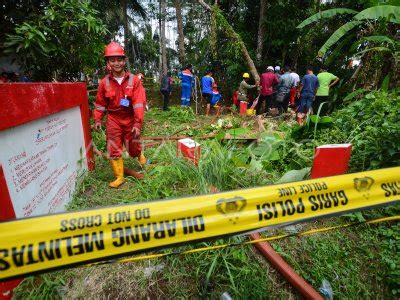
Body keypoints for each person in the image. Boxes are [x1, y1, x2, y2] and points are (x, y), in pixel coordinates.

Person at [94, 41, 147, 188]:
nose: (116, 63)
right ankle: (119, 177)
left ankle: (139, 154)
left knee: (133, 147)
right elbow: (100, 104)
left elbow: (138, 103)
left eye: (119, 59)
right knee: (113, 147)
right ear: (108, 63)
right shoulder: (104, 83)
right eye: (112, 60)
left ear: (124, 61)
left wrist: (137, 123)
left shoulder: (134, 80)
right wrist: (97, 119)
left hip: (130, 118)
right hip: (113, 119)